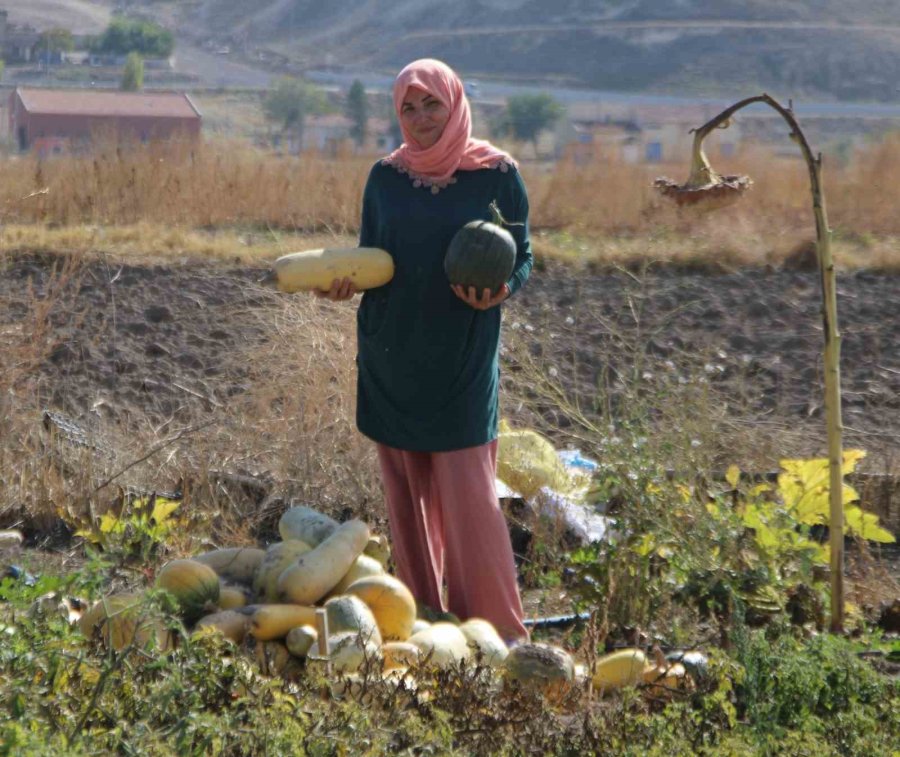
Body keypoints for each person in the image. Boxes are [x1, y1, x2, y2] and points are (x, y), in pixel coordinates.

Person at [316, 58, 533, 644]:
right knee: (406, 503)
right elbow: (373, 258)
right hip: (392, 355)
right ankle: (421, 627)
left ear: (454, 103)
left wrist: (503, 289)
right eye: (408, 108)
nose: (420, 117)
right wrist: (342, 285)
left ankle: (496, 636)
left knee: (472, 504)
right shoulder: (385, 178)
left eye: (431, 104)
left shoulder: (498, 175)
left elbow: (523, 256)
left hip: (463, 358)